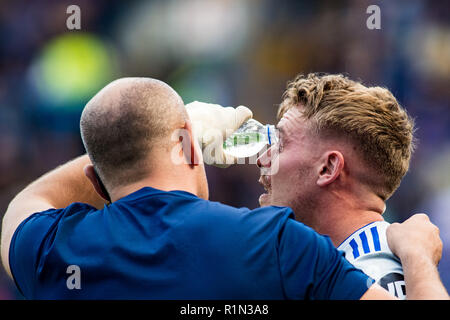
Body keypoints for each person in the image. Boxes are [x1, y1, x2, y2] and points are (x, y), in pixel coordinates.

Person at [0, 77, 445, 299]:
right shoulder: (280, 249)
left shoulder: (374, 265)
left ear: (329, 168)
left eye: (280, 140)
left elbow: (25, 207)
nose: (261, 154)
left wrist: (155, 138)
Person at [255, 73, 449, 299]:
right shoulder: (330, 265)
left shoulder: (374, 272)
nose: (262, 159)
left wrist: (417, 256)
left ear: (328, 168)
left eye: (281, 145)